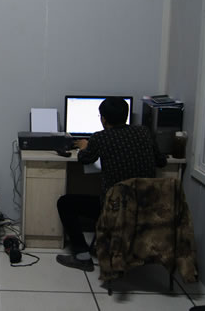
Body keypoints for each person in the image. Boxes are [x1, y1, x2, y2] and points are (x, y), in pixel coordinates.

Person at [56, 97, 167, 271]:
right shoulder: (144, 132)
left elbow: (84, 159)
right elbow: (161, 162)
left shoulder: (100, 137)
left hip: (115, 208)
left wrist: (85, 146)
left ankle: (82, 256)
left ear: (103, 119)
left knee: (65, 203)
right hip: (146, 208)